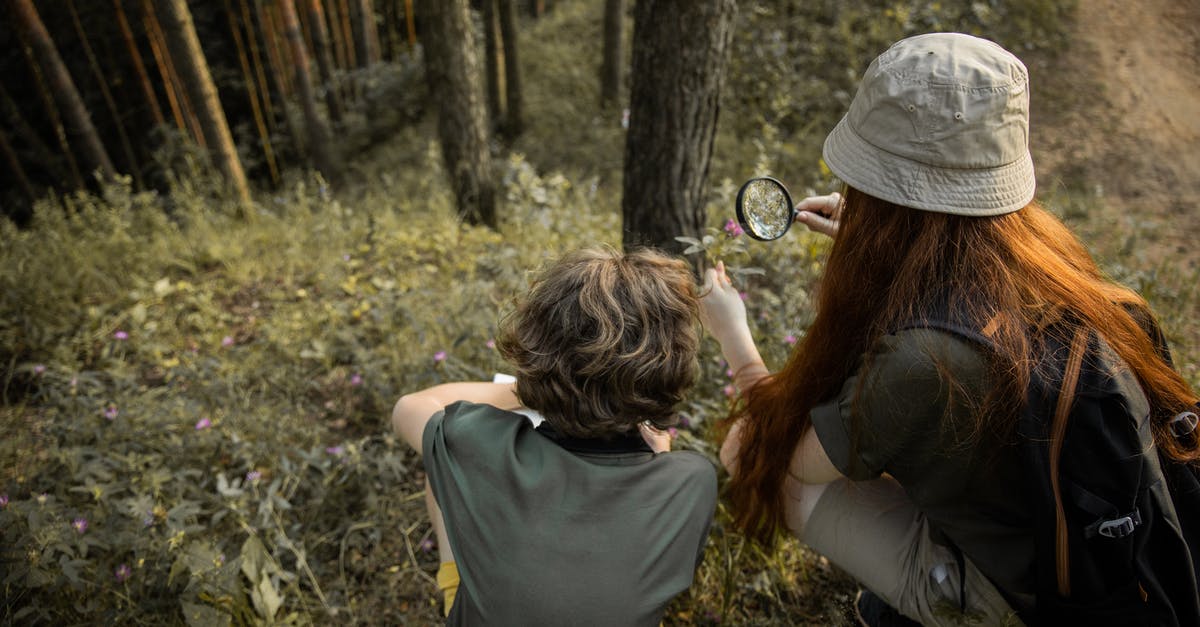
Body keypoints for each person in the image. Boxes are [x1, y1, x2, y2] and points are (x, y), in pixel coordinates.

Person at [699, 32, 1200, 625]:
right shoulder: (1073, 282)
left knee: (750, 453)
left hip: (1031, 602)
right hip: (1124, 569)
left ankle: (950, 604)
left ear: (886, 201)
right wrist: (892, 249)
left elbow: (795, 461)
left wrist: (733, 334)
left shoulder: (922, 363)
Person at [391, 246, 718, 626]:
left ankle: (454, 584)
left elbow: (410, 408)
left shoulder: (478, 444)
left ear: (536, 346)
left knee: (442, 463)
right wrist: (661, 459)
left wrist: (530, 389)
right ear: (672, 366)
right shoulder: (693, 481)